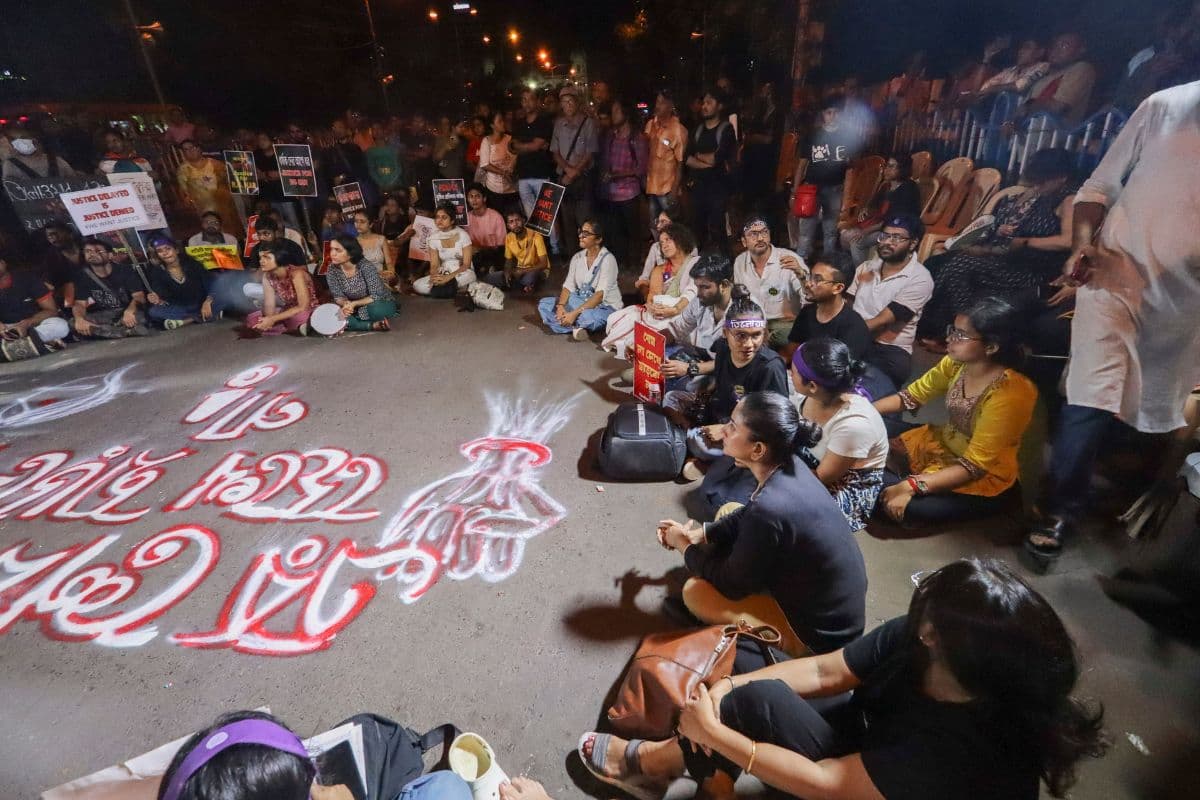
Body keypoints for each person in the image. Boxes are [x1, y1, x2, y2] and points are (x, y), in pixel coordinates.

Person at [579, 558, 1107, 800]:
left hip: (868, 785)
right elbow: (826, 669)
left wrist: (716, 733)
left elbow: (834, 785)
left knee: (750, 705)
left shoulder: (960, 751)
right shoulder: (928, 638)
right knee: (740, 671)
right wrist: (722, 693)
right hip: (873, 737)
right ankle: (703, 771)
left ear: (943, 645)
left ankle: (654, 765)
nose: (917, 618)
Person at [1027, 80, 1200, 566]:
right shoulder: (1166, 106)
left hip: (1186, 303)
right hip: (1113, 276)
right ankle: (1061, 510)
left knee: (1151, 408)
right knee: (1091, 395)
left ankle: (1128, 489)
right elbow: (1097, 189)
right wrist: (1084, 242)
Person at [654, 390, 866, 661]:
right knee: (730, 510)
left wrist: (682, 545)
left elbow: (731, 584)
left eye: (733, 426)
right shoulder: (790, 465)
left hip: (819, 637)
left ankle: (780, 648)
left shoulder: (771, 507)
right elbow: (748, 513)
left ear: (758, 449)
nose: (725, 431)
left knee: (695, 593)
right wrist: (699, 534)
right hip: (827, 603)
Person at [873, 298, 1036, 525]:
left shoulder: (1011, 394)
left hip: (976, 472)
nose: (949, 339)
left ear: (991, 347)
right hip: (940, 442)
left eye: (961, 335)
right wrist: (860, 412)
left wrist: (910, 485)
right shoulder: (956, 363)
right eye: (953, 330)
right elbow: (911, 397)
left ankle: (1000, 502)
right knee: (871, 425)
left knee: (907, 507)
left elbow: (974, 466)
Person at [918, 148, 1077, 347]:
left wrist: (1027, 242)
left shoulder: (1069, 200)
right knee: (940, 262)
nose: (1038, 185)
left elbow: (1069, 240)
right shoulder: (1044, 197)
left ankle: (961, 335)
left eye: (1042, 181)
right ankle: (929, 326)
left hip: (1036, 270)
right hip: (1014, 261)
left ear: (1061, 178)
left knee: (961, 266)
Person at [663, 288, 789, 468]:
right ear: (725, 333)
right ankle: (696, 443)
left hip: (747, 428)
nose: (748, 344)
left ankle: (697, 450)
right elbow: (721, 378)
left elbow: (775, 422)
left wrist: (727, 429)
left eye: (756, 335)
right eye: (740, 336)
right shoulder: (722, 348)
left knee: (700, 445)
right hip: (719, 412)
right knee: (671, 398)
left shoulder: (770, 367)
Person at [791, 339, 888, 531]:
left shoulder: (853, 425)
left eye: (793, 372)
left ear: (812, 385)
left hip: (844, 482)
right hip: (810, 460)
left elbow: (822, 478)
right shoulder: (809, 396)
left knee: (794, 518)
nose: (789, 373)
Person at [846, 214, 934, 390]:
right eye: (885, 235)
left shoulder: (920, 278)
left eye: (897, 237)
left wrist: (844, 332)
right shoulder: (867, 267)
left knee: (864, 391)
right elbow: (848, 304)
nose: (887, 242)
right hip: (856, 338)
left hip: (888, 350)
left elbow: (882, 321)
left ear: (913, 243)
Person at [600, 223, 698, 357]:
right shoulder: (659, 270)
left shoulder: (696, 263)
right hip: (662, 313)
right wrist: (655, 307)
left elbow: (693, 291)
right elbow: (653, 296)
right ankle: (647, 346)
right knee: (616, 319)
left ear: (680, 239)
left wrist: (675, 308)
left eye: (668, 240)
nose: (664, 245)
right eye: (661, 242)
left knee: (679, 328)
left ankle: (647, 347)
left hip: (685, 311)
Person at [791, 94, 859, 260]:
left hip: (835, 188)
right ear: (823, 114)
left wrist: (847, 197)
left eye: (836, 112)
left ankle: (828, 265)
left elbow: (850, 170)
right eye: (829, 112)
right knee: (806, 230)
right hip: (811, 189)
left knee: (830, 231)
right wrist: (795, 190)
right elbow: (802, 164)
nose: (833, 116)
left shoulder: (846, 138)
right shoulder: (812, 136)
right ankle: (800, 264)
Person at [659, 253, 736, 390]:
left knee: (681, 389)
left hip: (728, 369)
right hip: (703, 357)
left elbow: (735, 360)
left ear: (724, 285)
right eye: (697, 287)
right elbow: (676, 329)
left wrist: (690, 369)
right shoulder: (701, 301)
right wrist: (643, 344)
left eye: (705, 287)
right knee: (652, 365)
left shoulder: (744, 311)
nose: (699, 293)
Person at [537, 219, 622, 340]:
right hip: (580, 301)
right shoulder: (577, 257)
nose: (581, 236)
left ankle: (569, 322)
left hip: (604, 306)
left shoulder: (608, 260)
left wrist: (574, 313)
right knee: (544, 304)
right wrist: (561, 306)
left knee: (588, 317)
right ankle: (576, 327)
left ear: (598, 239)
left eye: (586, 233)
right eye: (581, 231)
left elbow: (599, 296)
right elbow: (568, 286)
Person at [731, 216, 807, 349]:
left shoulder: (790, 259)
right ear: (744, 242)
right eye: (753, 234)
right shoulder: (739, 262)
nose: (760, 238)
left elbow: (809, 299)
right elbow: (740, 301)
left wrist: (801, 275)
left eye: (764, 232)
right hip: (754, 324)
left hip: (786, 326)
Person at [785, 252, 870, 361]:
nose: (808, 284)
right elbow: (791, 352)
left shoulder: (854, 326)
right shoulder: (806, 313)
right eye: (810, 277)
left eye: (818, 280)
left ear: (838, 288)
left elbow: (840, 373)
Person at [840, 154, 922, 266]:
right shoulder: (887, 186)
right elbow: (873, 204)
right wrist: (866, 210)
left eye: (891, 167)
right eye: (886, 166)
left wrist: (867, 231)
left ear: (902, 169)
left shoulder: (909, 189)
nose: (886, 170)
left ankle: (865, 274)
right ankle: (856, 269)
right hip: (881, 226)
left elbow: (894, 219)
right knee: (845, 235)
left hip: (897, 229)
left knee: (857, 242)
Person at [597, 98, 648, 268]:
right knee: (616, 233)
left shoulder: (636, 138)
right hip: (612, 193)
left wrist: (615, 175)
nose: (613, 114)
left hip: (629, 193)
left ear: (626, 113)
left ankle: (633, 265)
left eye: (617, 110)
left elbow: (640, 168)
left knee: (632, 232)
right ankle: (621, 264)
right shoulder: (611, 136)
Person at [685, 89, 738, 251]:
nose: (704, 106)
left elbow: (717, 158)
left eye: (709, 102)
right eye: (704, 103)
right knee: (697, 229)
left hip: (718, 187)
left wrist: (699, 157)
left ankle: (726, 265)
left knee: (718, 228)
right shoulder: (697, 130)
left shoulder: (726, 129)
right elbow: (687, 159)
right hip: (698, 187)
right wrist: (707, 162)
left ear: (719, 106)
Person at [551, 85, 599, 256]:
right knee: (568, 221)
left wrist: (575, 171)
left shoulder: (588, 123)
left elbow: (590, 152)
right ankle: (574, 259)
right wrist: (567, 169)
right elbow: (555, 151)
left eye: (571, 101)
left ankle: (590, 256)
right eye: (564, 102)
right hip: (564, 178)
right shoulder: (558, 124)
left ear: (577, 102)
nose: (568, 104)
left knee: (585, 222)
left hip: (582, 178)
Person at [72, 238, 150, 339]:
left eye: (98, 251)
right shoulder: (83, 276)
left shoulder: (124, 270)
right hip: (104, 315)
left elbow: (139, 296)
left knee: (141, 317)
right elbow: (79, 304)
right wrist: (79, 319)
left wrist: (130, 311)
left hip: (125, 312)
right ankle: (124, 332)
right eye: (88, 251)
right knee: (73, 323)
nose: (92, 254)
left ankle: (105, 331)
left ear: (110, 255)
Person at [512, 88, 558, 254]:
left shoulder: (544, 121)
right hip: (523, 175)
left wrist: (526, 146)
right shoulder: (518, 123)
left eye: (530, 99)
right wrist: (530, 147)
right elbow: (514, 146)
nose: (527, 103)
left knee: (547, 215)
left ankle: (555, 249)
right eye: (524, 99)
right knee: (532, 218)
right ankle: (539, 250)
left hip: (541, 173)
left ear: (536, 101)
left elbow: (537, 145)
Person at [1016, 33, 1096, 126]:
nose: (1056, 50)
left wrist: (1028, 106)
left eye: (1064, 46)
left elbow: (1058, 107)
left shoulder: (1081, 68)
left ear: (1080, 50)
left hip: (1055, 135)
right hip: (1025, 133)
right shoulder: (1043, 78)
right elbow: (1020, 111)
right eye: (1054, 45)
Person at [145, 237, 222, 329]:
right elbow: (163, 295)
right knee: (153, 312)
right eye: (160, 251)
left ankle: (184, 321)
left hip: (202, 302)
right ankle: (202, 316)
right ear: (157, 255)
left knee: (224, 297)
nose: (165, 253)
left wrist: (208, 301)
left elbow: (210, 283)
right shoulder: (157, 272)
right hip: (181, 307)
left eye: (168, 249)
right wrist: (157, 299)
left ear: (176, 250)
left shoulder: (193, 264)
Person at [325, 234, 397, 333]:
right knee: (333, 312)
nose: (332, 254)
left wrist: (354, 304)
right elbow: (338, 296)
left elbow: (376, 295)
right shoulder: (331, 269)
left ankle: (353, 324)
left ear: (351, 254)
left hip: (376, 302)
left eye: (338, 250)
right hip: (352, 306)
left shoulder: (365, 266)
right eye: (331, 249)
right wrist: (346, 304)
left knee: (375, 311)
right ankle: (372, 325)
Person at [245, 244, 317, 336]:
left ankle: (301, 326)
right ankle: (298, 329)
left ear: (279, 258)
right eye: (260, 258)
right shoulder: (267, 276)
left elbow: (303, 306)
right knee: (253, 319)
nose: (261, 261)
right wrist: (267, 320)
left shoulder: (296, 274)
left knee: (299, 317)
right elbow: (269, 305)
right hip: (287, 310)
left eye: (266, 257)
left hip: (307, 310)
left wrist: (273, 319)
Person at [413, 202, 476, 297]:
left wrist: (448, 278)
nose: (439, 220)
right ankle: (454, 289)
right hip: (443, 271)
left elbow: (466, 265)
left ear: (452, 220)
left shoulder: (463, 235)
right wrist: (435, 277)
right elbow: (434, 265)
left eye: (444, 217)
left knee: (469, 277)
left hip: (461, 272)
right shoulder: (433, 238)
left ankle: (447, 288)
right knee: (417, 285)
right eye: (437, 217)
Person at [0, 249, 60, 346]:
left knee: (60, 326)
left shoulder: (27, 278)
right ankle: (39, 343)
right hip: (6, 330)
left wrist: (26, 324)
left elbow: (52, 311)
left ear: (3, 263)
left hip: (34, 325)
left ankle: (16, 346)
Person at [644, 89, 687, 218]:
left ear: (670, 105)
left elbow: (680, 163)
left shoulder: (678, 130)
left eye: (662, 102)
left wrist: (674, 190)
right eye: (657, 101)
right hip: (652, 186)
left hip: (667, 189)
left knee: (671, 225)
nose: (658, 105)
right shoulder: (651, 125)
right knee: (654, 224)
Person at [741, 82, 783, 209]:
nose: (763, 94)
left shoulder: (778, 113)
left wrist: (753, 138)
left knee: (762, 194)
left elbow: (771, 139)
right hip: (753, 158)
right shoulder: (760, 111)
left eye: (766, 91)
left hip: (767, 159)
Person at [485, 209, 549, 293]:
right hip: (520, 270)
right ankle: (522, 285)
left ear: (523, 220)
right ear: (508, 226)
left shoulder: (536, 236)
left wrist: (523, 271)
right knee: (490, 278)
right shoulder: (509, 237)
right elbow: (508, 261)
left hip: (537, 270)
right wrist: (507, 272)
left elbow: (544, 264)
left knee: (529, 278)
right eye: (511, 222)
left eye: (517, 220)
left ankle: (523, 284)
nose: (515, 224)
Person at [635, 205, 693, 297]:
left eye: (663, 222)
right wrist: (650, 298)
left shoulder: (693, 257)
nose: (658, 225)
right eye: (657, 221)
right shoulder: (656, 250)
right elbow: (644, 279)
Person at [976, 38, 1050, 99]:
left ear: (1040, 52)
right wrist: (987, 58)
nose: (1021, 51)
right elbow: (984, 88)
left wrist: (992, 89)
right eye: (1021, 48)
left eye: (1027, 47)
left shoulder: (1043, 67)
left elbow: (1021, 85)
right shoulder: (1010, 71)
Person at [477, 110, 518, 215]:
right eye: (499, 121)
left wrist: (510, 170)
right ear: (492, 125)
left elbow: (516, 157)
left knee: (513, 219)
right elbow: (484, 164)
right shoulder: (486, 141)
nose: (503, 123)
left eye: (503, 120)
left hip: (511, 188)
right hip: (494, 189)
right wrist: (503, 172)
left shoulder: (510, 139)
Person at [1, 125, 79, 180]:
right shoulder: (11, 164)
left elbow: (73, 179)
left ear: (35, 141)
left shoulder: (56, 160)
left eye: (23, 138)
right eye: (13, 140)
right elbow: (11, 188)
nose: (17, 142)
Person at [464, 184, 507, 273]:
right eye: (471, 197)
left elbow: (501, 247)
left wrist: (480, 249)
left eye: (477, 196)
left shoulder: (496, 217)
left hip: (493, 256)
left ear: (484, 199)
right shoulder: (466, 218)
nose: (474, 200)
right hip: (472, 256)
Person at [40, 221, 80, 311]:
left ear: (69, 233)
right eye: (49, 236)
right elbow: (49, 281)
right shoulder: (51, 257)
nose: (52, 238)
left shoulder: (87, 247)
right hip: (76, 301)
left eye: (55, 234)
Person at [351, 209, 397, 285]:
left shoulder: (381, 239)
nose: (358, 224)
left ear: (371, 224)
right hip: (360, 280)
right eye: (356, 221)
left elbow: (389, 262)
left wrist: (391, 273)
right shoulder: (353, 242)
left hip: (380, 278)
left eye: (362, 222)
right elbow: (351, 267)